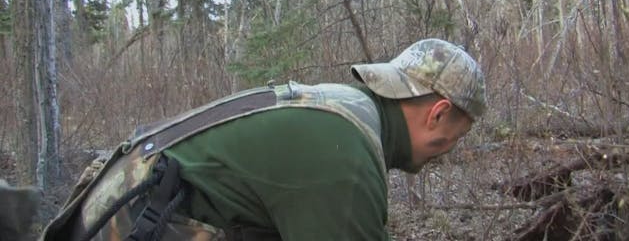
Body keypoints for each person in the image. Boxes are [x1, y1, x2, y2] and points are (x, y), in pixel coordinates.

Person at [41, 38, 486, 241]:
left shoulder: (344, 113)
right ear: (438, 113)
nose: (448, 152)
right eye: (456, 136)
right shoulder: (346, 155)